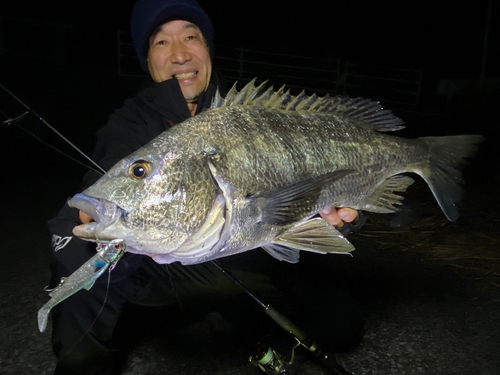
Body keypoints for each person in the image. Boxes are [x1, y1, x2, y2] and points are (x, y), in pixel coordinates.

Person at [47, 0, 364, 374]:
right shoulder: (129, 124)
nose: (180, 54)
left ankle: (241, 322)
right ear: (147, 60)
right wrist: (112, 207)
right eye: (161, 42)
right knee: (72, 244)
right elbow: (106, 183)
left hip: (252, 251)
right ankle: (85, 365)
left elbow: (316, 185)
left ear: (207, 49)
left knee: (341, 326)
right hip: (176, 268)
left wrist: (341, 217)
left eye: (191, 37)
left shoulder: (246, 111)